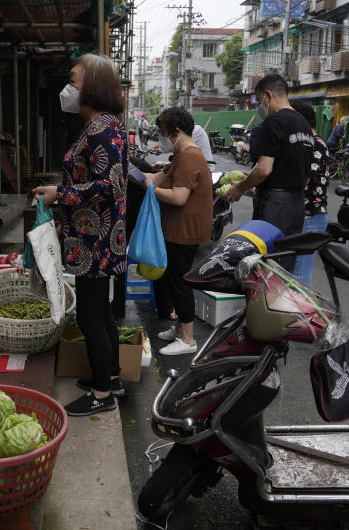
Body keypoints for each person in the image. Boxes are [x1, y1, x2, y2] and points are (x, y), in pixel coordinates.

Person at [33, 54, 127, 416]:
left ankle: (102, 395)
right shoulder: (95, 125)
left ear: (93, 86)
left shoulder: (103, 127)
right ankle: (112, 377)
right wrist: (60, 198)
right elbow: (89, 179)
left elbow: (111, 185)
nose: (67, 88)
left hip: (96, 240)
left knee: (91, 315)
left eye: (73, 80)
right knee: (100, 312)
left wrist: (63, 195)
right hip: (92, 235)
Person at [223, 74, 314, 270]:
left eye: (258, 100)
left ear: (268, 95)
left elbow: (264, 169)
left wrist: (240, 188)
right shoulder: (304, 124)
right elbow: (297, 172)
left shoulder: (274, 122)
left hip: (275, 205)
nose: (258, 106)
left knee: (266, 265)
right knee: (284, 264)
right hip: (296, 205)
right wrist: (256, 180)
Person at [142, 107, 213, 356]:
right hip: (178, 229)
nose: (162, 138)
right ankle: (180, 327)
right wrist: (142, 178)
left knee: (180, 283)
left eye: (163, 133)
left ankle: (188, 339)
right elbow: (157, 177)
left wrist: (150, 189)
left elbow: (179, 197)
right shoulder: (181, 156)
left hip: (185, 231)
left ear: (177, 132)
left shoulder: (189, 157)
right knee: (174, 280)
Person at [290, 101, 331, 286]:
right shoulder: (308, 144)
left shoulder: (316, 145)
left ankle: (302, 314)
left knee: (299, 275)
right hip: (303, 215)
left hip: (311, 215)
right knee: (294, 273)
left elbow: (302, 179)